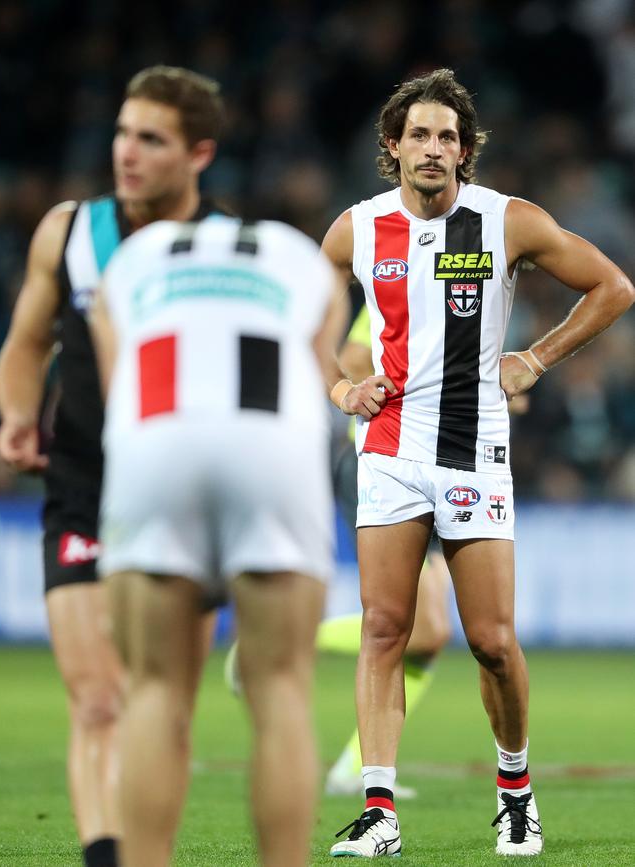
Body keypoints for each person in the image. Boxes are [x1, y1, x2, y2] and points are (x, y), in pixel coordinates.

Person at [322, 67, 634, 858]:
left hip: (472, 449)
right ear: (392, 147)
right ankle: (380, 812)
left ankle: (515, 791)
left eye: (448, 138)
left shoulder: (509, 221)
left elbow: (613, 287)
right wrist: (338, 382)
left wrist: (537, 355)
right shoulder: (355, 230)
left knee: (491, 640)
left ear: (466, 152)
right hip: (390, 446)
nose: (434, 149)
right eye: (419, 135)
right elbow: (310, 315)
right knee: (385, 627)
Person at [0, 66, 226, 867]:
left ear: (198, 153)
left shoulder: (227, 248)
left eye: (150, 139)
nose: (126, 152)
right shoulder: (70, 231)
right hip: (84, 489)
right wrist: (20, 413)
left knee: (163, 713)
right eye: (123, 132)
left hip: (185, 498)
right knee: (97, 700)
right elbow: (26, 344)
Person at [89, 213, 347, 867]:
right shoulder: (300, 257)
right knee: (281, 689)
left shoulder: (133, 257)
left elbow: (113, 376)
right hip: (271, 446)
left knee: (156, 690)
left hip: (157, 437)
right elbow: (323, 377)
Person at [319, 301, 451, 799]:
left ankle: (352, 769)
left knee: (428, 636)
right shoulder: (397, 289)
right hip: (384, 460)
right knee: (415, 627)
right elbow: (353, 357)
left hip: (436, 460)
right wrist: (387, 390)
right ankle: (280, 642)